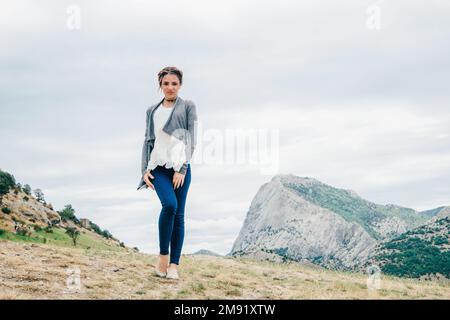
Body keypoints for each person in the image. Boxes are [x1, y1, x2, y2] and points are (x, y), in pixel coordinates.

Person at [137, 66, 198, 280]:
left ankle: (174, 265)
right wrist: (144, 170)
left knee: (179, 215)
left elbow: (191, 139)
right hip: (159, 168)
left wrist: (182, 169)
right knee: (169, 205)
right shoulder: (151, 111)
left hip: (180, 169)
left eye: (174, 83)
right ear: (160, 86)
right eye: (166, 84)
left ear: (180, 85)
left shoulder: (188, 106)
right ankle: (163, 256)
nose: (170, 87)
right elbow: (148, 141)